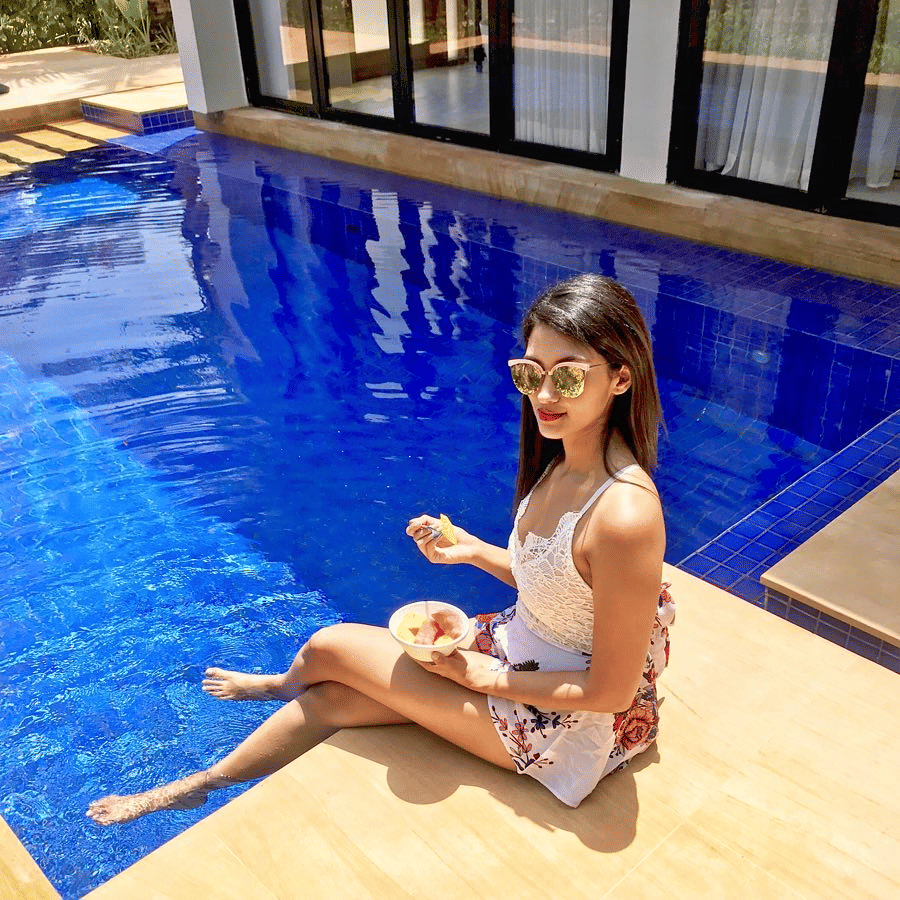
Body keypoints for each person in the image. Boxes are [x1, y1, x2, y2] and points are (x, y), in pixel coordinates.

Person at [87, 274, 674, 824]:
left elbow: (611, 691)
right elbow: (565, 590)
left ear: (621, 378)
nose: (543, 394)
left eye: (567, 377)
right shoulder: (565, 456)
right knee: (335, 700)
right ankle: (206, 780)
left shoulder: (624, 514)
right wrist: (471, 551)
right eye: (529, 374)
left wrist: (481, 678)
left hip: (566, 721)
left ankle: (276, 690)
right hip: (522, 653)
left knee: (330, 646)